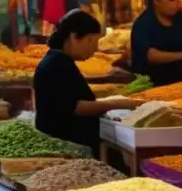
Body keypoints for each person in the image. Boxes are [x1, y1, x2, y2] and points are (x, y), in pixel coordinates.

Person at [34, 10, 141, 152]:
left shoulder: (59, 61)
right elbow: (73, 107)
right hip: (67, 145)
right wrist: (117, 104)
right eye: (91, 41)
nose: (95, 48)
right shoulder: (57, 65)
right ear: (73, 37)